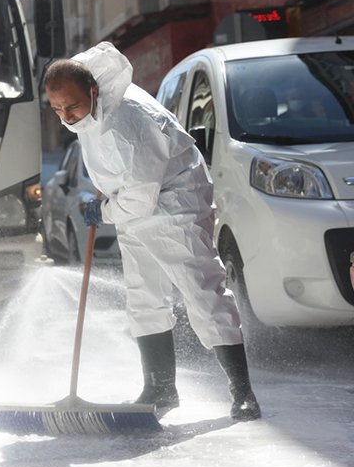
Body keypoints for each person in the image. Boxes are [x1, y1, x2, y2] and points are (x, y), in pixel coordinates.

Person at [43, 42, 261, 422]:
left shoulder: (128, 123)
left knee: (201, 291)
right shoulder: (85, 103)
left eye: (72, 107)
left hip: (175, 202)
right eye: (57, 109)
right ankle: (160, 388)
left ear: (93, 92)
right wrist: (107, 190)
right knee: (143, 297)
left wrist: (102, 210)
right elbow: (115, 170)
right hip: (133, 201)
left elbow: (141, 198)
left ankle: (243, 392)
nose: (66, 116)